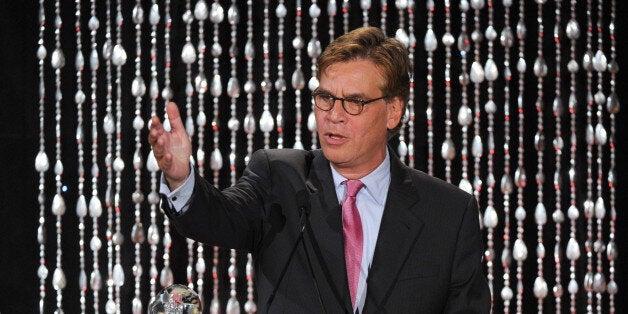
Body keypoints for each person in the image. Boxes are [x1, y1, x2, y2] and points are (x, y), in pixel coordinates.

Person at [149, 26, 490, 313]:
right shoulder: (279, 178)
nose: (334, 115)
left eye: (354, 102)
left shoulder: (449, 213)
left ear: (393, 111)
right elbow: (220, 217)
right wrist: (181, 179)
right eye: (325, 97)